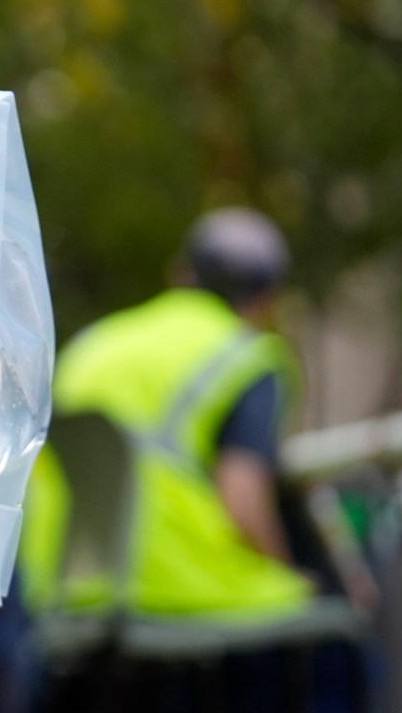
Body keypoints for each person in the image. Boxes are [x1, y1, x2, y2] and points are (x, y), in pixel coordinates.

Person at [38, 208, 320, 621]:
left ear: (181, 273)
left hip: (61, 590)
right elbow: (243, 497)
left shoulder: (93, 344)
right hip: (180, 591)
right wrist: (284, 568)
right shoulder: (248, 357)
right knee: (326, 618)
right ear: (266, 301)